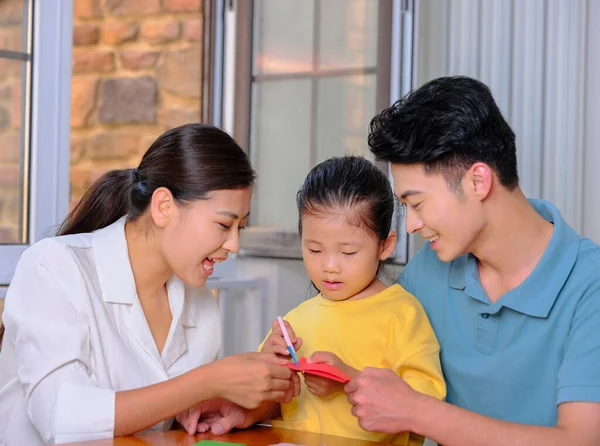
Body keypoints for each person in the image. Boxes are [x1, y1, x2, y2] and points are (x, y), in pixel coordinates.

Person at [0, 124, 298, 446]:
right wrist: (208, 382)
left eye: (240, 226)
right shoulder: (54, 266)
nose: (234, 244)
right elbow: (61, 416)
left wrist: (233, 404)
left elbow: (172, 420)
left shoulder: (198, 302)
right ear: (164, 207)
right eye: (224, 225)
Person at [344, 76, 600, 446]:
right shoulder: (429, 269)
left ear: (477, 182)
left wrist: (419, 412)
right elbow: (362, 356)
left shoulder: (589, 286)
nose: (412, 225)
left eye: (416, 204)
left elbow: (581, 440)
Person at [177, 156, 446, 445]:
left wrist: (348, 380)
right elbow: (271, 398)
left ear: (385, 246)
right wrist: (270, 365)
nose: (330, 266)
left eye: (348, 253)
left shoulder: (402, 313)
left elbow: (426, 403)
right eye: (315, 250)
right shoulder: (297, 319)